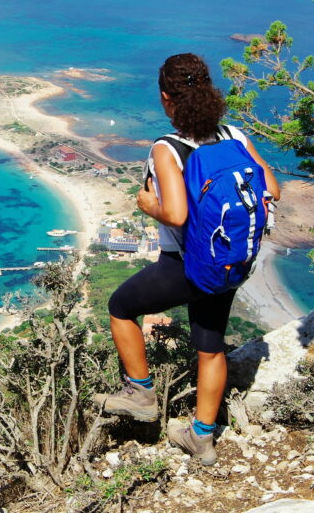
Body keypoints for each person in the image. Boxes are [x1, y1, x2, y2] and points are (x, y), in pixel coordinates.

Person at [92, 52, 280, 466]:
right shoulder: (234, 136)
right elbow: (273, 189)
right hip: (231, 265)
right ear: (210, 92)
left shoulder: (169, 148)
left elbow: (175, 214)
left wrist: (147, 204)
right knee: (210, 348)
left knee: (121, 306)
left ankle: (140, 392)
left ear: (166, 98)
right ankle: (201, 438)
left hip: (186, 265)